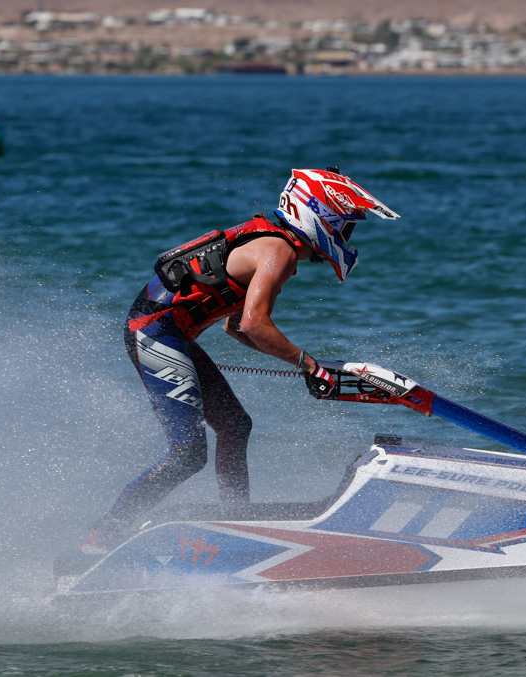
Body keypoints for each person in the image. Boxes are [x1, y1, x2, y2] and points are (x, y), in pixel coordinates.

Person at [81, 168, 400, 554]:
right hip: (154, 332)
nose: (346, 237)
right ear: (320, 215)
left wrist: (305, 363)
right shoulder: (277, 251)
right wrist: (310, 366)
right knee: (187, 453)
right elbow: (253, 324)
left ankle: (236, 519)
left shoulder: (274, 245)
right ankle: (103, 537)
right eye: (345, 227)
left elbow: (236, 326)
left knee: (234, 425)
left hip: (168, 332)